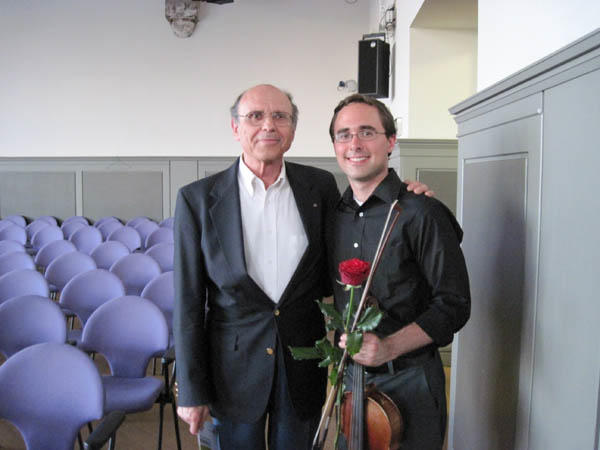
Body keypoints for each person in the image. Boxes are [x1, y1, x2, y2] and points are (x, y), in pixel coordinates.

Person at [173, 84, 432, 450]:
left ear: (292, 131)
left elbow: (360, 225)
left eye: (280, 116)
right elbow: (187, 303)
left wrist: (405, 196)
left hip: (304, 368)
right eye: (255, 116)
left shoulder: (319, 187)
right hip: (232, 372)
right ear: (236, 128)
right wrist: (191, 389)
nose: (268, 125)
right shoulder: (197, 199)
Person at [327, 94, 471, 450]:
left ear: (390, 141)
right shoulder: (333, 216)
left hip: (410, 379)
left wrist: (389, 347)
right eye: (344, 135)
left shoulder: (422, 212)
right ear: (335, 146)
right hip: (352, 380)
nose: (354, 144)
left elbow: (454, 305)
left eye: (367, 132)